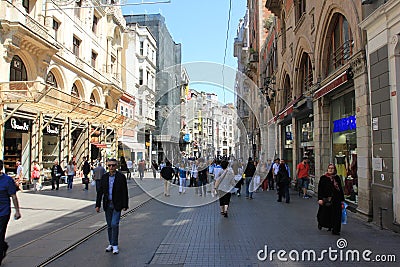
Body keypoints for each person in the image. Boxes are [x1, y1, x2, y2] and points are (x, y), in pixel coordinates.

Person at [95, 158, 129, 254]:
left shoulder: (121, 177)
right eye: (109, 165)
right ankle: (111, 243)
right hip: (107, 204)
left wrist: (125, 204)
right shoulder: (104, 177)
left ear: (116, 166)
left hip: (117, 204)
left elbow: (124, 191)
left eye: (113, 165)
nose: (111, 167)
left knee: (114, 224)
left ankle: (115, 245)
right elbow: (100, 192)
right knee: (109, 225)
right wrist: (97, 205)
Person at [0, 160, 21, 265]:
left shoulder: (7, 180)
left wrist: (17, 211)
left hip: (3, 212)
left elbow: (13, 196)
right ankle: (3, 246)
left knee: (0, 234)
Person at [317, 163, 345, 235]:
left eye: (332, 168)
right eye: (329, 168)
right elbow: (320, 189)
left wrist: (342, 201)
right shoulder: (323, 178)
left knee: (337, 215)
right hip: (326, 199)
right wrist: (320, 199)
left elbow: (340, 189)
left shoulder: (337, 178)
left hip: (336, 199)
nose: (330, 169)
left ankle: (336, 230)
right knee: (324, 213)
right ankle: (322, 223)